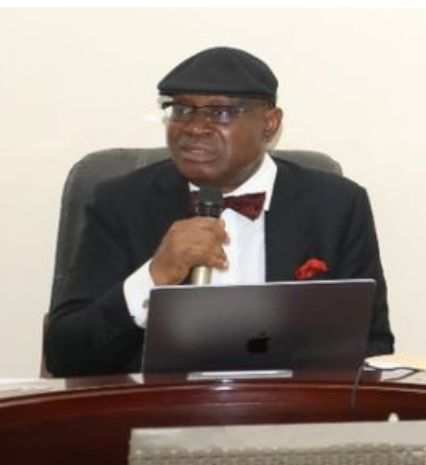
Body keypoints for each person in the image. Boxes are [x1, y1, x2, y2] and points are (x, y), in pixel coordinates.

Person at [43, 46, 393, 378]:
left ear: (270, 124)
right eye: (182, 110)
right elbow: (65, 356)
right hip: (157, 410)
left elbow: (374, 347)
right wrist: (153, 277)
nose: (194, 127)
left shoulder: (336, 206)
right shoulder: (120, 203)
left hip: (292, 410)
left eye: (221, 112)